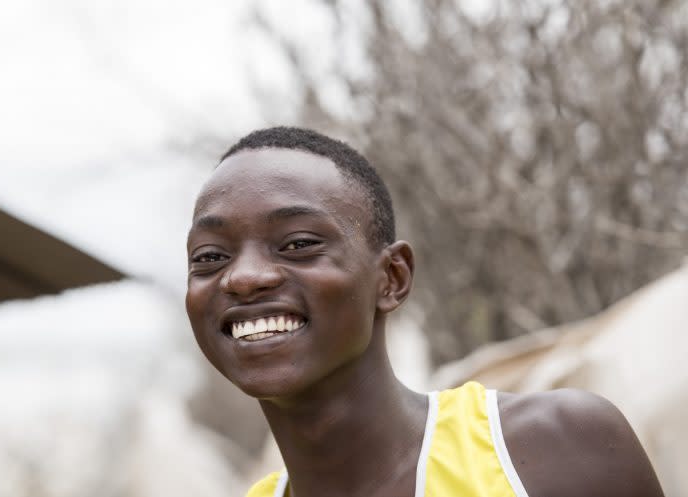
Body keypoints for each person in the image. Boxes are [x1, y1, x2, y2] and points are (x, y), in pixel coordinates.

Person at [185, 126, 664, 497]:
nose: (243, 277)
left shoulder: (551, 450)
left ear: (392, 278)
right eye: (209, 256)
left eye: (298, 244)